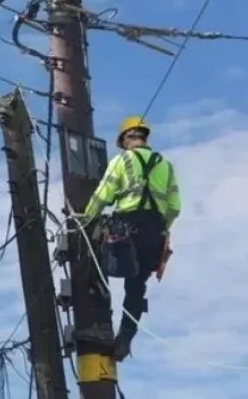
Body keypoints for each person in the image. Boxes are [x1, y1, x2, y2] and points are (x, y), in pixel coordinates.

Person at [80, 115, 181, 362]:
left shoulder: (122, 160)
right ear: (144, 137)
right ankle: (125, 338)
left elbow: (103, 194)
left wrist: (84, 220)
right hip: (154, 234)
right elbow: (175, 207)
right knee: (135, 289)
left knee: (94, 263)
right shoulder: (165, 165)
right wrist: (161, 230)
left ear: (126, 138)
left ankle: (100, 324)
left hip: (125, 228)